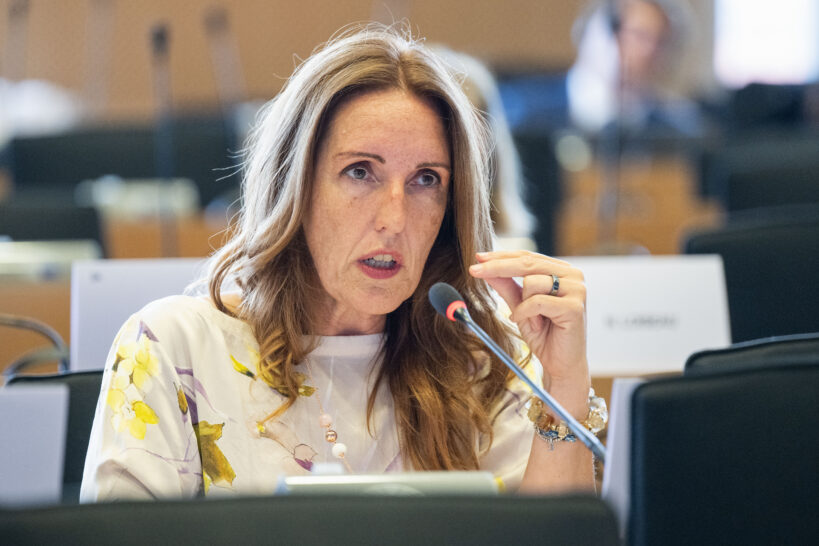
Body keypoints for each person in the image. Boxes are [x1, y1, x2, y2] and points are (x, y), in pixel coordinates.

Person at [80, 24, 602, 501]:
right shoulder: (175, 348)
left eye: (426, 180)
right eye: (360, 172)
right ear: (295, 186)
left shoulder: (484, 359)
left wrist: (565, 385)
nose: (394, 220)